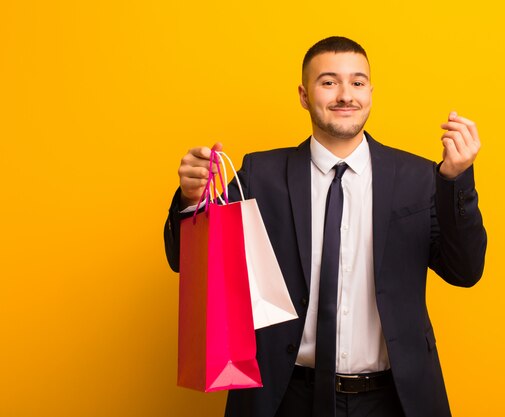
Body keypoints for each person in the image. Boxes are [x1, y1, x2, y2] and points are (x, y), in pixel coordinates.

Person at [164, 36, 487, 417]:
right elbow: (188, 261)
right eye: (329, 82)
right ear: (304, 95)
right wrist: (190, 199)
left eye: (357, 82)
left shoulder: (418, 177)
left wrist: (457, 180)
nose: (345, 95)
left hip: (393, 399)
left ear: (370, 91)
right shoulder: (260, 175)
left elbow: (465, 271)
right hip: (285, 397)